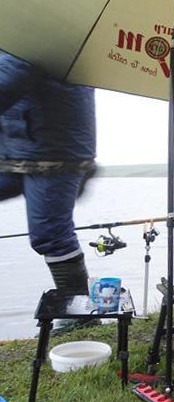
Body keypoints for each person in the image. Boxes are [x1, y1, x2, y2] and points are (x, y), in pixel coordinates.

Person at [0, 50, 96, 304]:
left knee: (51, 235)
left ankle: (78, 312)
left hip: (55, 151)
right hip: (16, 146)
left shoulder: (36, 30)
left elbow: (11, 74)